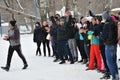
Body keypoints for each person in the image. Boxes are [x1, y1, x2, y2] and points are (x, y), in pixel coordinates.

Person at [101, 11, 119, 80]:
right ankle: (116, 76)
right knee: (113, 62)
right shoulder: (113, 22)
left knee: (110, 62)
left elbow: (103, 35)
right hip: (114, 44)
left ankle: (115, 77)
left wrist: (101, 36)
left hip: (109, 44)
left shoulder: (107, 24)